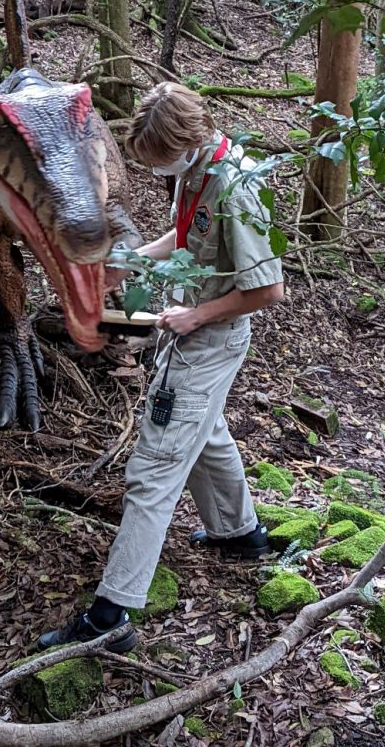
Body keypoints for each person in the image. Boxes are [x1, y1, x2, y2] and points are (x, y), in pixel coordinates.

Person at [38, 82, 285, 653]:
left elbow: (268, 289)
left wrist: (198, 315)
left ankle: (112, 614)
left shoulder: (237, 189)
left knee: (153, 471)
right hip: (194, 334)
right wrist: (126, 265)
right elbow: (186, 234)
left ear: (190, 140)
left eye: (160, 162)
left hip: (211, 338)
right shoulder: (198, 171)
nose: (158, 172)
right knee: (205, 433)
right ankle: (239, 533)